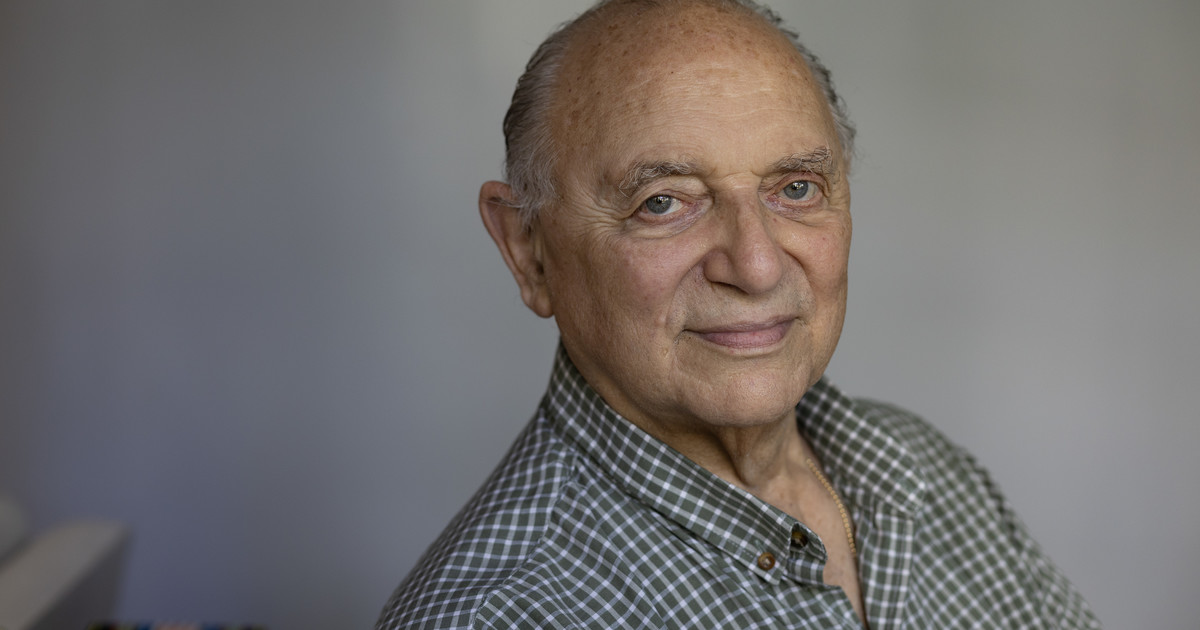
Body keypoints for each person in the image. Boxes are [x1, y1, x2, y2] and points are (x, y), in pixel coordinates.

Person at [377, 0, 1102, 627]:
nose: (756, 266)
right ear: (528, 250)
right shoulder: (497, 615)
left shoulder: (928, 472)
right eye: (663, 202)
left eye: (796, 188)